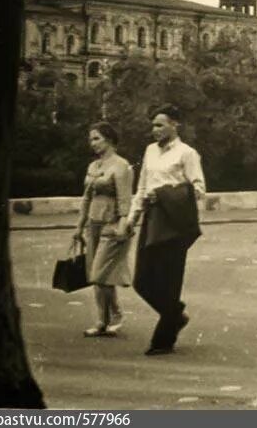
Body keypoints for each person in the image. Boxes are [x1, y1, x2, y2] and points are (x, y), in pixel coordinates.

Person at [121, 104, 205, 356]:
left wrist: (165, 194)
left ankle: (163, 339)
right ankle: (175, 315)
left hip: (174, 221)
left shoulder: (187, 153)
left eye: (160, 124)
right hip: (152, 219)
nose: (154, 130)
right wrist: (132, 219)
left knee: (169, 281)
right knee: (142, 281)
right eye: (153, 125)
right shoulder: (149, 151)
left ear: (174, 124)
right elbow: (143, 186)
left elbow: (198, 189)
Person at [74, 121, 133, 338]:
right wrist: (78, 227)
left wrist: (123, 225)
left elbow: (125, 200)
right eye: (91, 139)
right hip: (93, 224)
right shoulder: (93, 167)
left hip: (112, 224)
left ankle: (116, 315)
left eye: (97, 138)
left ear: (109, 139)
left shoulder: (121, 166)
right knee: (96, 275)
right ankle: (101, 320)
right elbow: (86, 198)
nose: (93, 144)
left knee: (100, 273)